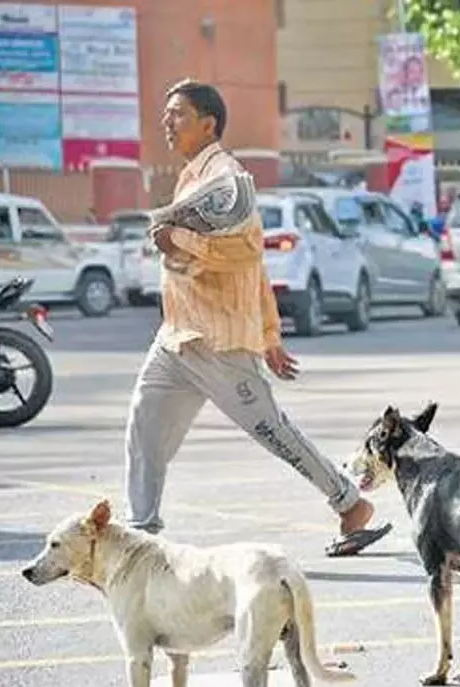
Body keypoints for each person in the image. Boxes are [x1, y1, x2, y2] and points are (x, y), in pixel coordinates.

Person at [126, 79, 391, 557]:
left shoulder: (226, 178)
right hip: (176, 338)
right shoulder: (189, 177)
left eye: (178, 114)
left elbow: (248, 255)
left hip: (219, 341)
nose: (167, 121)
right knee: (144, 425)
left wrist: (177, 242)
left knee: (273, 432)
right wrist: (270, 331)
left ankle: (350, 503)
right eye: (167, 113)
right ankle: (142, 532)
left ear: (208, 124)